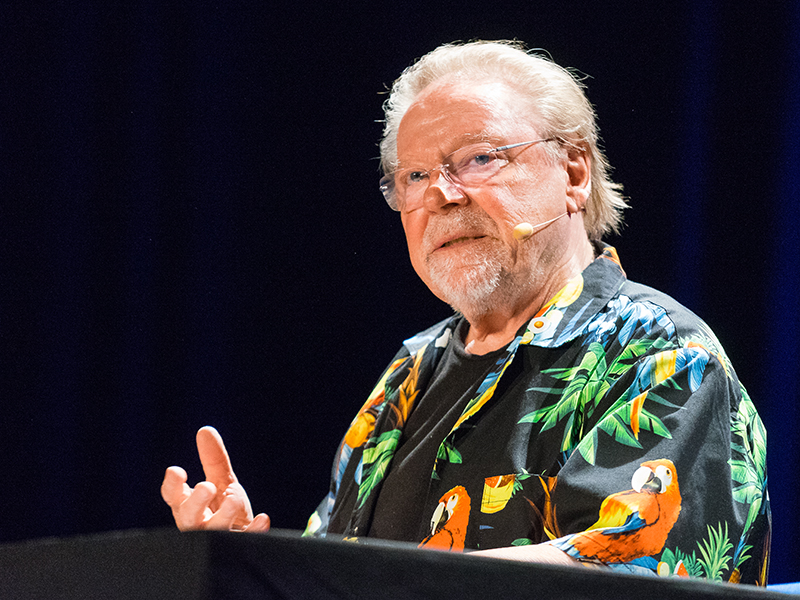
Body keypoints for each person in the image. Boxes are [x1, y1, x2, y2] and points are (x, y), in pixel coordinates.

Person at [161, 40, 770, 584]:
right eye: (415, 175)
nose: (440, 195)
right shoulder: (407, 375)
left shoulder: (663, 354)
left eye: (479, 159)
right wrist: (249, 566)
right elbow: (340, 576)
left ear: (573, 173)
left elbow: (625, 569)